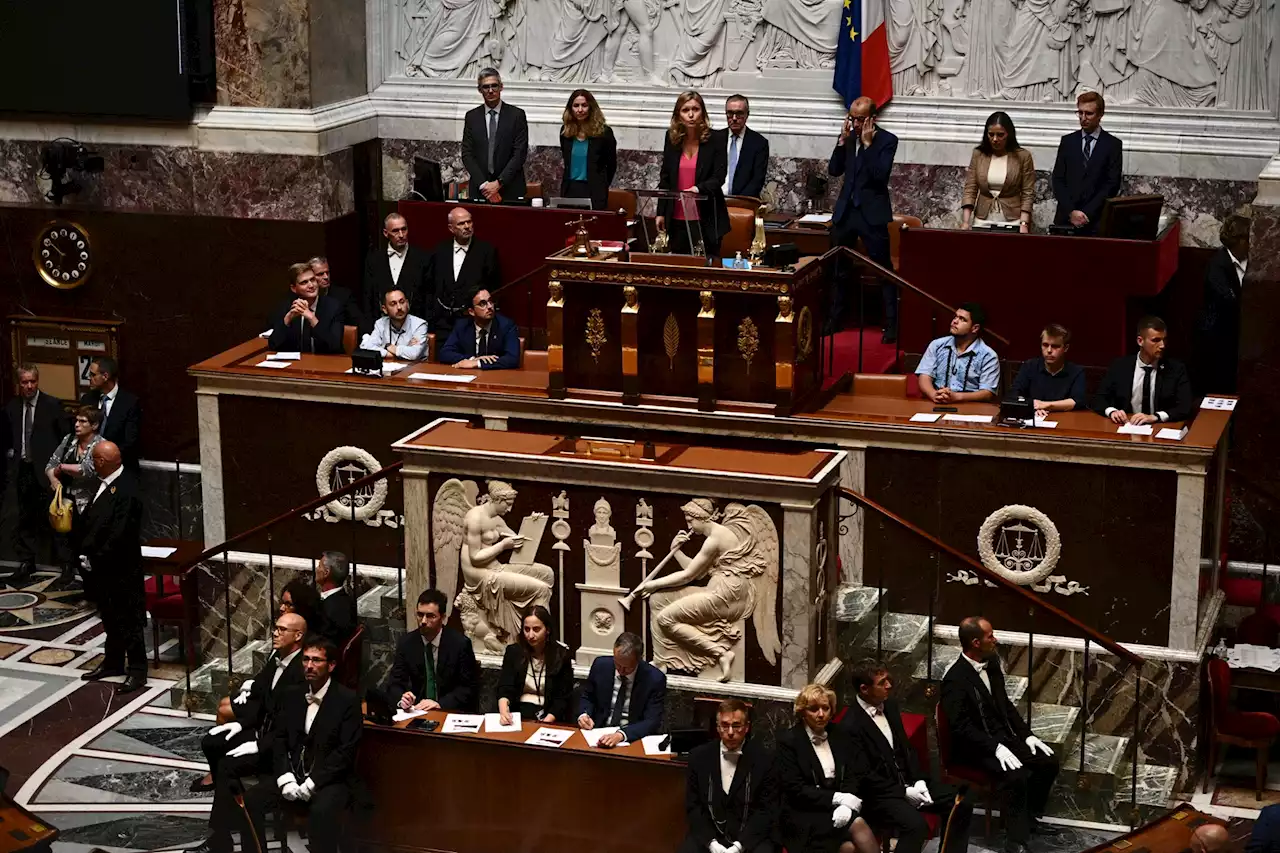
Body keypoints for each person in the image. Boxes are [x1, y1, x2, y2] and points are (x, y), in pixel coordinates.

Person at [189, 611, 307, 853]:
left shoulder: (301, 670)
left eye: (282, 629)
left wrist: (259, 744)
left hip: (278, 745)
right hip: (261, 731)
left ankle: (222, 837)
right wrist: (242, 724)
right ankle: (227, 821)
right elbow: (261, 698)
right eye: (275, 627)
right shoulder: (277, 656)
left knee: (227, 765)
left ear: (298, 635)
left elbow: (291, 725)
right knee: (212, 743)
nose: (275, 632)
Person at [941, 617, 1059, 853]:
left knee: (1048, 761)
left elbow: (1004, 704)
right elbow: (960, 727)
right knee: (1015, 776)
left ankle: (1029, 819)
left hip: (1003, 739)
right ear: (975, 642)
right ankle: (1015, 841)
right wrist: (994, 747)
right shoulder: (954, 679)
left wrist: (1026, 735)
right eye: (990, 636)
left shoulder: (992, 662)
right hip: (973, 748)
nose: (995, 640)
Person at [838, 660, 973, 853]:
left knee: (961, 802)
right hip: (879, 796)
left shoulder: (890, 705)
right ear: (864, 689)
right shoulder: (850, 725)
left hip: (908, 783)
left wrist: (918, 781)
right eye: (882, 682)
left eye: (888, 679)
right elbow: (865, 776)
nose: (889, 685)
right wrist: (903, 792)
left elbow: (906, 749)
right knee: (916, 826)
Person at [242, 636, 362, 853]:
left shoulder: (347, 700)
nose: (309, 665)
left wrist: (312, 783)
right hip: (294, 774)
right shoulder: (292, 694)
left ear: (331, 665)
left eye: (316, 660)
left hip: (329, 780)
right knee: (250, 801)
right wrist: (284, 777)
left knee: (321, 813)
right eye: (306, 659)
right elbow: (279, 739)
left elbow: (345, 752)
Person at [776, 682, 880, 853]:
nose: (821, 714)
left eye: (826, 708)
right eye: (814, 709)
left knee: (850, 848)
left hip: (836, 811)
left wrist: (846, 805)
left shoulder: (840, 734)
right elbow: (796, 789)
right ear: (802, 712)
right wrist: (838, 798)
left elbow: (853, 773)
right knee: (857, 825)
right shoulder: (789, 741)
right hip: (803, 815)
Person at [78, 441, 147, 695]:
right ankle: (113, 662)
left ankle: (138, 671)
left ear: (102, 462)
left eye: (93, 459)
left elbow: (120, 532)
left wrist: (96, 555)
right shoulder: (104, 483)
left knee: (129, 620)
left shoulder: (127, 488)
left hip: (121, 568)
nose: (92, 463)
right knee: (110, 617)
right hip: (102, 568)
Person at [829, 97, 900, 342]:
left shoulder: (887, 141)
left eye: (860, 119)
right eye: (853, 118)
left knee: (883, 271)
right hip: (846, 212)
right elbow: (834, 170)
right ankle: (835, 319)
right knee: (839, 269)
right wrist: (840, 142)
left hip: (872, 214)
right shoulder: (848, 138)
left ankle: (891, 324)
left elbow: (880, 177)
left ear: (873, 119)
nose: (856, 124)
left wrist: (868, 147)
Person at [681, 698, 777, 853]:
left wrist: (739, 847)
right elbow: (693, 806)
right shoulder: (698, 757)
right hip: (710, 836)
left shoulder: (764, 760)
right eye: (725, 726)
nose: (731, 732)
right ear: (718, 728)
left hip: (748, 838)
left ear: (746, 728)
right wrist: (711, 843)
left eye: (736, 725)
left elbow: (765, 811)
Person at [6, 365, 70, 584]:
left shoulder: (52, 405)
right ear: (19, 383)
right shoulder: (12, 407)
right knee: (25, 518)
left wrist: (59, 470)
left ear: (38, 380)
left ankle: (66, 566)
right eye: (25, 382)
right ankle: (27, 561)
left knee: (56, 518)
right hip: (23, 470)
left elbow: (65, 439)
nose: (29, 386)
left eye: (33, 381)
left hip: (48, 472)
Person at [656, 91, 729, 258]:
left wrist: (698, 188)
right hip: (677, 217)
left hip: (707, 216)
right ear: (678, 115)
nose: (691, 115)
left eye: (695, 109)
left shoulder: (716, 139)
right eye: (685, 110)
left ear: (702, 112)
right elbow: (665, 177)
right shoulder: (672, 139)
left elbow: (719, 176)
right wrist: (661, 211)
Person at [386, 588, 480, 713]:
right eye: (420, 615)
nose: (424, 621)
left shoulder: (460, 644)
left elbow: (468, 688)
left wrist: (439, 704)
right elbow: (394, 683)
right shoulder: (407, 643)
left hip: (449, 710)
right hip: (417, 711)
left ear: (443, 618)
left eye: (430, 616)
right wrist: (402, 699)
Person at [1095, 316, 1193, 425]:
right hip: (1126, 426)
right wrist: (1112, 411)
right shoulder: (1120, 366)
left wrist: (1155, 417)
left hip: (1159, 428)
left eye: (1164, 340)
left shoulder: (1176, 369)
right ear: (1140, 341)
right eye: (1156, 340)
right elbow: (1099, 398)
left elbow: (1184, 407)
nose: (1162, 345)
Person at [44, 406, 104, 584]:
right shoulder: (69, 440)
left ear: (94, 426)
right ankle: (67, 570)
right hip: (66, 501)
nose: (77, 425)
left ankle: (91, 583)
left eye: (82, 421)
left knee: (86, 543)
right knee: (63, 537)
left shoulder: (100, 445)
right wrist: (54, 480)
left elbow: (87, 470)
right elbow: (50, 465)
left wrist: (62, 468)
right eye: (76, 421)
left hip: (89, 503)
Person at [1051, 92, 1123, 235]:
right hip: (1066, 220)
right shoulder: (1068, 142)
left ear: (1100, 114)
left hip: (1096, 221)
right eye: (1080, 113)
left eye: (1089, 114)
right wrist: (1071, 211)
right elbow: (1058, 179)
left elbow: (1111, 184)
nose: (1083, 118)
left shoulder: (1112, 145)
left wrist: (1087, 213)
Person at [577, 632, 667, 746]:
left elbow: (652, 721)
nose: (621, 671)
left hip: (632, 738)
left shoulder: (654, 679)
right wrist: (584, 715)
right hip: (597, 733)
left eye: (627, 668)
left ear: (639, 659)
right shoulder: (601, 665)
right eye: (617, 664)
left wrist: (621, 735)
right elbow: (587, 696)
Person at [1193, 212, 1250, 394]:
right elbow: (1229, 300)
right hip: (1219, 339)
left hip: (1238, 337)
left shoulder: (1252, 261)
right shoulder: (1217, 265)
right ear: (1241, 241)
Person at [424, 207, 501, 334]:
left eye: (469, 222)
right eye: (461, 223)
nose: (467, 226)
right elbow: (431, 286)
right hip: (442, 322)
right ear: (451, 228)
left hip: (472, 321)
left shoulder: (486, 251)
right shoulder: (440, 250)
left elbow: (493, 287)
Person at [460, 69, 529, 203]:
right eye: (486, 87)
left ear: (501, 87)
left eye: (494, 86)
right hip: (481, 191)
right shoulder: (472, 117)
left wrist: (498, 183)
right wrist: (485, 186)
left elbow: (519, 154)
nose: (490, 90)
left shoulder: (517, 115)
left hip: (510, 189)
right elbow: (467, 154)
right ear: (480, 90)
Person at [496, 605, 573, 723]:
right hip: (517, 713)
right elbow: (505, 687)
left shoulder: (561, 656)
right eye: (526, 629)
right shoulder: (514, 652)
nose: (530, 635)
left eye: (536, 629)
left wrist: (546, 722)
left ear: (547, 630)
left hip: (548, 715)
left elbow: (561, 699)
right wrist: (504, 712)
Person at [961, 112, 1035, 233]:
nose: (995, 139)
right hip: (982, 219)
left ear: (1008, 135)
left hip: (1012, 220)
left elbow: (1028, 192)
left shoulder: (1023, 156)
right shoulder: (979, 155)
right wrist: (965, 221)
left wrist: (1024, 223)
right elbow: (970, 188)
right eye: (991, 134)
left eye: (1000, 135)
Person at [915, 304, 1001, 404]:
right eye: (955, 317)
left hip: (970, 407)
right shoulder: (937, 345)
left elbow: (987, 393)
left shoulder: (988, 356)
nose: (955, 321)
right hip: (937, 402)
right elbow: (924, 376)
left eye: (962, 319)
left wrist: (957, 397)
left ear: (975, 328)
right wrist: (933, 394)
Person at [362, 213, 429, 329]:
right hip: (381, 326)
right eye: (395, 231)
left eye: (404, 229)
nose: (401, 235)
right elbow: (368, 296)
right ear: (385, 233)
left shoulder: (422, 257)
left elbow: (428, 296)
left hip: (413, 326)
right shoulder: (374, 259)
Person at [1009, 324, 1087, 417]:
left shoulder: (1076, 371)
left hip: (1065, 419)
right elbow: (1014, 393)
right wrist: (1031, 405)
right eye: (1045, 345)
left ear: (1065, 348)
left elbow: (1078, 401)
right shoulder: (1029, 366)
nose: (1049, 350)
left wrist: (1047, 405)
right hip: (1034, 416)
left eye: (1055, 346)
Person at [559, 89, 618, 211]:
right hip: (570, 190)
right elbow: (567, 162)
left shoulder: (604, 133)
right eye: (576, 106)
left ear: (591, 107)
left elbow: (611, 165)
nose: (580, 110)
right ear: (570, 109)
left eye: (584, 105)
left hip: (594, 191)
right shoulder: (565, 132)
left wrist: (602, 186)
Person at [267, 262, 344, 354]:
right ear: (294, 288)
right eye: (304, 282)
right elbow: (273, 345)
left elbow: (334, 346)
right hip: (296, 365)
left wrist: (312, 318)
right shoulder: (287, 307)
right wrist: (287, 320)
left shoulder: (333, 306)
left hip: (325, 363)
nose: (311, 285)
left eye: (313, 280)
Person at [81, 357, 141, 475]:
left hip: (119, 469)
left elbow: (130, 441)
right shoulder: (87, 400)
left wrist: (107, 459)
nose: (89, 378)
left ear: (105, 376)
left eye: (93, 375)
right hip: (90, 471)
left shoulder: (130, 402)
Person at [439, 288, 521, 370]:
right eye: (483, 304)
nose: (490, 306)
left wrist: (478, 363)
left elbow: (512, 359)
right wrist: (471, 359)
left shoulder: (506, 325)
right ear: (471, 311)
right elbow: (445, 353)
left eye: (490, 301)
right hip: (468, 376)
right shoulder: (462, 326)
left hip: (496, 376)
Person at [717, 94, 769, 199]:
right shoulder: (714, 139)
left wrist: (737, 201)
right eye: (730, 113)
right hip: (715, 202)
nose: (734, 118)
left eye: (739, 113)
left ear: (747, 115)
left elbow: (757, 180)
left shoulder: (759, 143)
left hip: (743, 204)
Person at [360, 288, 428, 362]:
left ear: (407, 304)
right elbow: (367, 347)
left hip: (416, 369)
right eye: (393, 304)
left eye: (402, 302)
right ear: (384, 309)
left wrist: (387, 346)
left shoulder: (419, 325)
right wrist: (387, 354)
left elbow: (414, 354)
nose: (399, 307)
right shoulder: (380, 323)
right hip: (388, 368)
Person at [310, 256, 364, 331]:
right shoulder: (304, 296)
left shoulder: (343, 295)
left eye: (327, 273)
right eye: (320, 274)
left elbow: (359, 323)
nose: (326, 277)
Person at [315, 551, 355, 646]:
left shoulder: (330, 611)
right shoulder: (343, 599)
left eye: (319, 566)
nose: (316, 569)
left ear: (326, 573)